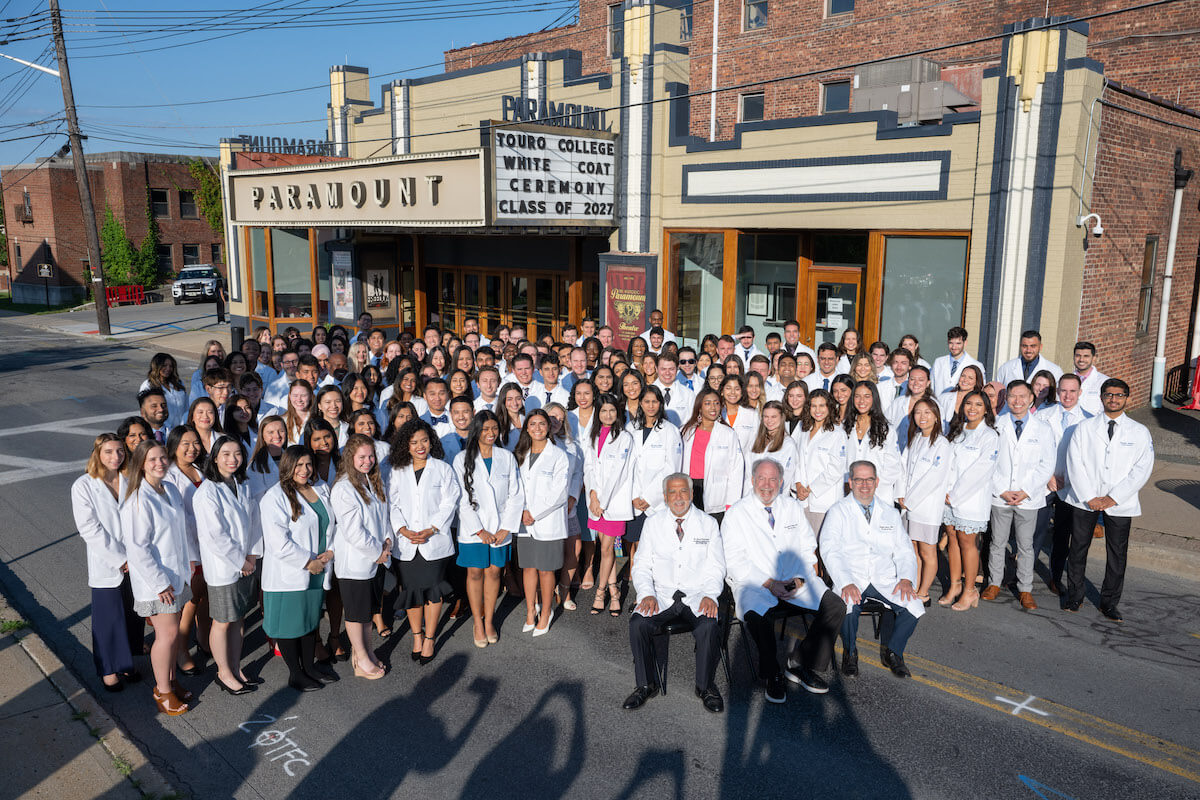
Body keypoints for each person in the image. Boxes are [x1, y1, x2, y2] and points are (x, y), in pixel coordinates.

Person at [723, 459, 847, 702]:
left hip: (795, 581)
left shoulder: (791, 507)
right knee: (761, 615)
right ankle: (773, 674)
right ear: (752, 481)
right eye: (761, 479)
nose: (766, 485)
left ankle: (801, 663)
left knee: (835, 606)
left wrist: (799, 579)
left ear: (781, 483)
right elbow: (734, 561)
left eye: (772, 480)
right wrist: (770, 583)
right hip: (756, 583)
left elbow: (807, 546)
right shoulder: (736, 514)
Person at [623, 474, 725, 713]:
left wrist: (710, 594)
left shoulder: (708, 523)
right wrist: (646, 593)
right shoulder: (653, 523)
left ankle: (705, 686)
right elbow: (641, 565)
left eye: (683, 492)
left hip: (697, 593)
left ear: (691, 494)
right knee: (638, 624)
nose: (678, 497)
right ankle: (646, 684)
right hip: (661, 593)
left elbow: (716, 566)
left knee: (708, 626)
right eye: (672, 492)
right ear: (665, 496)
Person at [822, 461, 924, 679]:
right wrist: (845, 580)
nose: (864, 485)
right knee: (848, 604)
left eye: (869, 479)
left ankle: (894, 653)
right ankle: (850, 653)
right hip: (852, 576)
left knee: (914, 604)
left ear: (877, 482)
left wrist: (906, 578)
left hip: (882, 578)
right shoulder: (838, 511)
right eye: (859, 479)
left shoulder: (890, 513)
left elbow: (905, 551)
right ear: (850, 483)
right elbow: (829, 550)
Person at [1063, 378, 1154, 621]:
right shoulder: (1084, 428)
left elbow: (1142, 469)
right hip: (1086, 499)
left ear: (1127, 398)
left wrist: (1113, 498)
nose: (1113, 399)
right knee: (1078, 549)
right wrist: (1089, 496)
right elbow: (1075, 462)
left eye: (1119, 395)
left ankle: (1109, 602)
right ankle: (1075, 595)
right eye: (1109, 394)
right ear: (1101, 397)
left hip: (1120, 503)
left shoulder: (1139, 432)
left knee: (1117, 555)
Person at [121, 440, 196, 716]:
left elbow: (179, 530)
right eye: (152, 459)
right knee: (167, 635)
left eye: (163, 458)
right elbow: (138, 548)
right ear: (141, 463)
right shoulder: (138, 499)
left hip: (176, 574)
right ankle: (163, 692)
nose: (160, 464)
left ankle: (172, 680)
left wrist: (189, 561)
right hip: (158, 582)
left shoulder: (170, 488)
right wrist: (159, 582)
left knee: (173, 635)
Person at [260, 445, 336, 692]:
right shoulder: (275, 497)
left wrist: (331, 552)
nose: (304, 470)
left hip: (318, 568)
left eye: (308, 464)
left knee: (308, 622)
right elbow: (277, 543)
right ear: (287, 466)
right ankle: (296, 673)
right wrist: (308, 562)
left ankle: (310, 668)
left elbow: (332, 524)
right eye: (298, 465)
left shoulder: (321, 487)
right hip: (291, 574)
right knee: (290, 626)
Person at [72, 434, 143, 692]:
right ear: (97, 454)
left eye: (120, 451)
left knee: (132, 615)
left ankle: (126, 662)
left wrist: (134, 556)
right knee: (108, 619)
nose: (116, 457)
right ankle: (109, 670)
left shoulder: (130, 479)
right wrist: (120, 558)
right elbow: (89, 529)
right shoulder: (83, 485)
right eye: (109, 452)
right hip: (108, 563)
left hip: (136, 560)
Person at [192, 436, 260, 695]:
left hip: (245, 563)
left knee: (238, 618)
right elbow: (215, 535)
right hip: (224, 567)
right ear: (215, 458)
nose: (233, 459)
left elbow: (254, 521)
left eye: (238, 454)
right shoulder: (207, 492)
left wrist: (252, 555)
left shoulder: (242, 483)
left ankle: (234, 665)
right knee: (222, 621)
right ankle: (223, 672)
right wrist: (240, 560)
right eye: (226, 454)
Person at [983, 380, 1056, 610]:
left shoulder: (1043, 429)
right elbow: (988, 461)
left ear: (1031, 399)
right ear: (1007, 399)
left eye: (1023, 396)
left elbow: (1047, 465)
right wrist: (1002, 490)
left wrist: (1026, 491)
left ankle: (1025, 589)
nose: (1017, 401)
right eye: (1013, 396)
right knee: (997, 542)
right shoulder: (996, 424)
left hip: (1028, 497)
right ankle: (994, 582)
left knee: (1026, 546)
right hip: (1000, 495)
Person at [453, 410, 522, 645]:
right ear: (476, 431)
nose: (491, 433)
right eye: (485, 429)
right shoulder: (462, 459)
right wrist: (479, 530)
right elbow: (461, 498)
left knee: (494, 572)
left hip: (501, 528)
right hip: (474, 530)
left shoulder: (507, 457)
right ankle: (477, 622)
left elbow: (516, 494)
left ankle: (489, 619)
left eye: (494, 428)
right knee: (474, 573)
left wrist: (506, 528)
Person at [330, 433, 392, 678]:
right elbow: (353, 531)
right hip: (356, 561)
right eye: (362, 457)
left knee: (367, 613)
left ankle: (365, 651)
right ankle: (362, 660)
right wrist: (378, 552)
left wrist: (388, 541)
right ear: (350, 458)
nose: (367, 461)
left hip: (377, 558)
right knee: (357, 614)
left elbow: (384, 517)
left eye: (371, 456)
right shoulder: (344, 488)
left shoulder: (373, 480)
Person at [940, 390, 1000, 611]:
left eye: (977, 404)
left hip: (970, 499)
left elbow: (980, 471)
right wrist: (945, 491)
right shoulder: (958, 431)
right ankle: (954, 585)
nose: (972, 408)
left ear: (986, 409)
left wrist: (955, 494)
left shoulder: (989, 436)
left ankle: (969, 590)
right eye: (968, 404)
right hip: (948, 497)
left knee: (967, 543)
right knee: (953, 540)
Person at [514, 410, 570, 637]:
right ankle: (530, 610)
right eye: (533, 424)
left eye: (542, 424)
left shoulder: (558, 456)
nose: (537, 428)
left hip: (547, 522)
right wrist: (521, 512)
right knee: (528, 568)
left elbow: (560, 493)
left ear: (549, 427)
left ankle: (546, 613)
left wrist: (533, 513)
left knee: (546, 571)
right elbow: (513, 488)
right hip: (523, 521)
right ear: (526, 428)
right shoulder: (519, 454)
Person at [897, 399, 952, 605]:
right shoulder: (915, 439)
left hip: (926, 507)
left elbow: (934, 478)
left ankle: (924, 593)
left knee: (927, 551)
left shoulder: (942, 444)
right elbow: (903, 468)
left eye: (927, 412)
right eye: (918, 412)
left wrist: (909, 500)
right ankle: (914, 585)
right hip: (909, 506)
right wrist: (901, 494)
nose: (922, 417)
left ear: (936, 416)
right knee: (912, 550)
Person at [585, 393, 635, 616]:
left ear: (618, 412)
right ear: (598, 413)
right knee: (605, 549)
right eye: (604, 411)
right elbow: (590, 467)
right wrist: (593, 496)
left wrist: (602, 502)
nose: (608, 414)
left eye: (612, 410)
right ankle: (614, 591)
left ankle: (601, 591)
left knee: (607, 549)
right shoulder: (594, 434)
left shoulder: (624, 437)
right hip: (596, 502)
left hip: (613, 503)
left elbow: (619, 473)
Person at [1045, 374, 1091, 595]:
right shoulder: (1044, 416)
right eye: (1063, 390)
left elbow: (1089, 460)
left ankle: (1056, 578)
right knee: (1033, 534)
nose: (1068, 395)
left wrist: (1069, 479)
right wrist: (1048, 476)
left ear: (1080, 393)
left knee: (1063, 535)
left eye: (1073, 391)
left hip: (1071, 486)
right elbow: (1034, 452)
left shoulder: (1089, 420)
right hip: (1045, 482)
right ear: (1057, 392)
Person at [627, 386, 683, 561]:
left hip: (656, 502)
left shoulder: (670, 431)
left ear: (660, 403)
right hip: (634, 498)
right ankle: (633, 578)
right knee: (634, 543)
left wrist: (649, 497)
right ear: (640, 403)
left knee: (656, 545)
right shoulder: (630, 428)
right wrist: (635, 495)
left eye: (654, 401)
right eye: (646, 401)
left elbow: (672, 469)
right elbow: (627, 465)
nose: (651, 406)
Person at [681, 388, 744, 524]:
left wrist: (731, 503)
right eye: (708, 403)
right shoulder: (687, 432)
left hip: (717, 494)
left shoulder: (728, 434)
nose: (713, 407)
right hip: (691, 488)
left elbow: (736, 470)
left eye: (716, 403)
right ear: (699, 407)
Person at [844, 381, 902, 505]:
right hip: (850, 493)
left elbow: (893, 466)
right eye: (857, 396)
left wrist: (871, 485)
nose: (861, 401)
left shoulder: (886, 429)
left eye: (867, 396)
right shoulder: (845, 427)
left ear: (874, 399)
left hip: (879, 494)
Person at [743, 401, 799, 497]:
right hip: (750, 498)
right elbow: (748, 472)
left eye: (773, 417)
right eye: (766, 416)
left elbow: (784, 477)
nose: (769, 421)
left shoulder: (788, 444)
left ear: (781, 418)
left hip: (773, 500)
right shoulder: (755, 440)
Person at [994, 329, 1064, 386]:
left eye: (1033, 346)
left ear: (1040, 347)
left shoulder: (1055, 371)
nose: (1028, 350)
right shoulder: (1006, 368)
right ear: (1020, 346)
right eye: (1024, 346)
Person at [932, 326, 985, 395]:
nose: (954, 347)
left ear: (965, 343)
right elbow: (931, 387)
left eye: (958, 343)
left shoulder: (977, 365)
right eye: (951, 343)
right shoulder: (938, 362)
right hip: (938, 403)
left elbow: (980, 390)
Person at [142, 353, 189, 429]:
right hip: (162, 430)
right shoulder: (148, 385)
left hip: (181, 429)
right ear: (156, 366)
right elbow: (146, 412)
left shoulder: (178, 383)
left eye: (171, 366)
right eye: (164, 365)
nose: (168, 369)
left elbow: (187, 406)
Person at [652, 352, 694, 428]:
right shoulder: (647, 393)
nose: (667, 373)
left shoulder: (688, 394)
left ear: (677, 368)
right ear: (656, 369)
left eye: (671, 369)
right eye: (663, 369)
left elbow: (692, 422)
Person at [720, 375, 759, 455]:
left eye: (737, 389)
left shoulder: (753, 414)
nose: (733, 392)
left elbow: (757, 444)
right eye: (728, 388)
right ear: (722, 392)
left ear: (742, 392)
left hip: (746, 465)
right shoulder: (716, 414)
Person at [1072, 341, 1108, 416]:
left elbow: (1106, 410)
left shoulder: (1105, 382)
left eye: (1086, 356)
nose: (1081, 359)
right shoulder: (1065, 381)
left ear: (1094, 358)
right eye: (1078, 355)